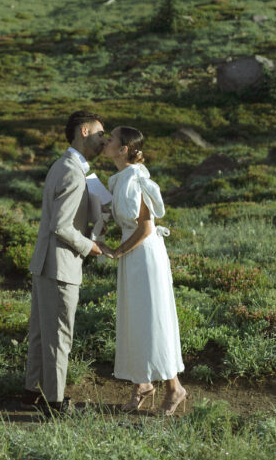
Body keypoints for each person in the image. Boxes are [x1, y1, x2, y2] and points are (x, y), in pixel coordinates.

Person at [22, 110, 106, 414]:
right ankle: (55, 402)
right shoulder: (73, 171)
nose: (103, 141)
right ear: (83, 132)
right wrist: (90, 246)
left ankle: (32, 391)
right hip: (61, 265)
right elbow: (61, 225)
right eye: (99, 134)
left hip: (45, 262)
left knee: (41, 333)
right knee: (59, 335)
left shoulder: (61, 165)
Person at [101, 125, 186, 416]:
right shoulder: (123, 177)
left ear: (123, 149)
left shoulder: (134, 178)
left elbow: (146, 228)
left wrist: (117, 251)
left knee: (152, 318)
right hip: (134, 256)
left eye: (110, 139)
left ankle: (174, 388)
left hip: (144, 256)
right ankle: (143, 384)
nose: (105, 142)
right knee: (135, 317)